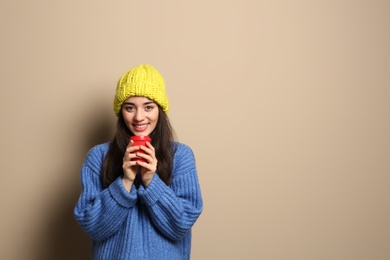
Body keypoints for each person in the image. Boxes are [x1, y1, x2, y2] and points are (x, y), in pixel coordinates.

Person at [74, 64, 203, 259]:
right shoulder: (98, 157)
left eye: (148, 107)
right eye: (129, 107)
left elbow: (181, 224)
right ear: (120, 111)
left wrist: (151, 182)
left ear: (160, 110)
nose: (139, 117)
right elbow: (93, 227)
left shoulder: (181, 156)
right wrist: (125, 181)